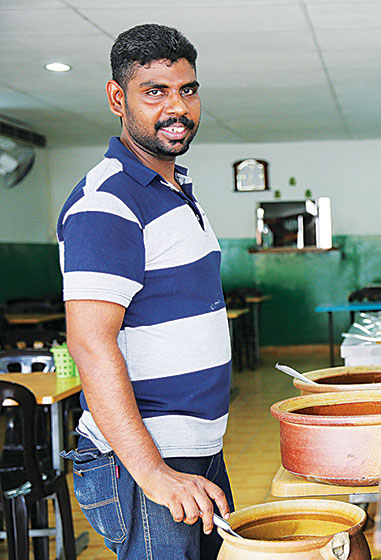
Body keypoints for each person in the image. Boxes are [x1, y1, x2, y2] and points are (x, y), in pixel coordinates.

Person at [57, 23, 233, 559]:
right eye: (154, 91)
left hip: (195, 451)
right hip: (142, 462)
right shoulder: (106, 201)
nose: (177, 107)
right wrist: (154, 472)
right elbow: (89, 342)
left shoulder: (175, 189)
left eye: (188, 89)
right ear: (118, 98)